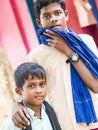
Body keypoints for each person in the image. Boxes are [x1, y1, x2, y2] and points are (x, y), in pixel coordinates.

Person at [12, 0, 98, 130]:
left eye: (58, 13)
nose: (53, 19)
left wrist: (68, 51)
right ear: (39, 22)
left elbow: (96, 85)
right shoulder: (36, 56)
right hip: (64, 124)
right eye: (46, 16)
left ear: (66, 15)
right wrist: (18, 105)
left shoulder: (86, 42)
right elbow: (32, 93)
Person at [1, 62, 61, 130]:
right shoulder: (15, 123)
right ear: (19, 91)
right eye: (31, 86)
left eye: (42, 84)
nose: (39, 90)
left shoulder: (53, 109)